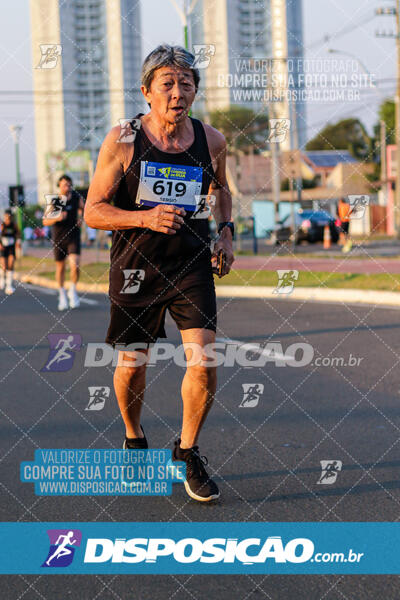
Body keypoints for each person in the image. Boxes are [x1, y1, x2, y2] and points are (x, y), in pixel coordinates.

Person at [85, 44, 235, 502]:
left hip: (190, 263)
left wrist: (226, 233)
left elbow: (221, 189)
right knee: (132, 364)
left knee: (204, 362)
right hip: (135, 267)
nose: (177, 92)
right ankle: (133, 436)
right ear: (147, 91)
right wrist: (144, 218)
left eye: (186, 83)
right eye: (167, 84)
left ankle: (187, 452)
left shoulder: (211, 140)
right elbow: (93, 211)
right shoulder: (123, 140)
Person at [43, 175, 84, 310]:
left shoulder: (77, 198)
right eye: (64, 184)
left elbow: (84, 209)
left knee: (75, 264)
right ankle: (62, 295)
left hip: (73, 236)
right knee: (60, 268)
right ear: (59, 185)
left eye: (69, 184)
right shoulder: (55, 201)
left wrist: (81, 218)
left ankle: (72, 290)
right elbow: (45, 221)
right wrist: (57, 218)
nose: (67, 186)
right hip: (59, 238)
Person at [0, 209, 21, 295]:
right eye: (6, 216)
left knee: (11, 263)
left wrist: (18, 242)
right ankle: (2, 279)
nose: (7, 218)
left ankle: (9, 285)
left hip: (11, 247)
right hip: (3, 247)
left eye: (9, 216)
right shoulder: (2, 225)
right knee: (4, 265)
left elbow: (18, 234)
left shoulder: (14, 225)